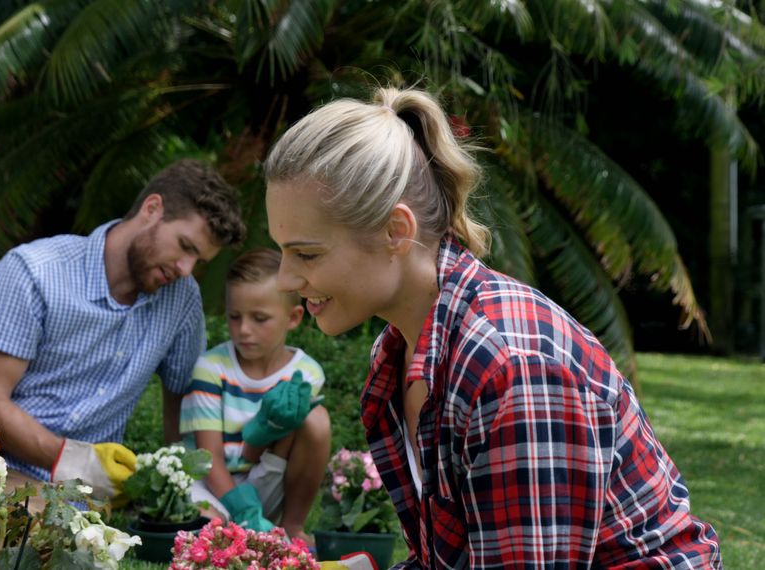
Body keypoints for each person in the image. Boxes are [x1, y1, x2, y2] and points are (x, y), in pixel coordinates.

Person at [262, 87, 722, 568]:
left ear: (395, 231)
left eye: (307, 254)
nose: (286, 280)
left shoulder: (510, 367)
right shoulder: (397, 355)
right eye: (283, 251)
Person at [0, 159, 246, 504]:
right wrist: (73, 460)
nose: (186, 269)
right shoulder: (34, 273)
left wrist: (180, 488)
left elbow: (185, 400)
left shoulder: (181, 298)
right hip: (3, 472)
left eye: (199, 261)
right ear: (152, 209)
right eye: (185, 246)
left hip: (92, 497)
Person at [180, 248, 330, 545]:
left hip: (264, 477)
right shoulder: (212, 368)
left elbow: (261, 453)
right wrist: (241, 508)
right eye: (235, 317)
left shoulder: (306, 373)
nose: (244, 330)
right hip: (211, 485)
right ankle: (242, 527)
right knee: (208, 531)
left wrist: (261, 432)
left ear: (294, 317)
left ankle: (292, 528)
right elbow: (208, 459)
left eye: (260, 318)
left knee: (316, 420)